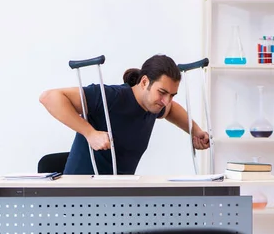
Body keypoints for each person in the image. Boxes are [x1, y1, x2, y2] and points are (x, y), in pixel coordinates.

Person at [39, 54, 210, 175]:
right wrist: (90, 133)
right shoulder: (111, 97)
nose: (166, 100)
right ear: (144, 82)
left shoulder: (154, 106)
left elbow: (171, 109)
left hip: (117, 201)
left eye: (172, 95)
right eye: (162, 92)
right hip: (79, 199)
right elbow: (50, 97)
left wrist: (195, 131)